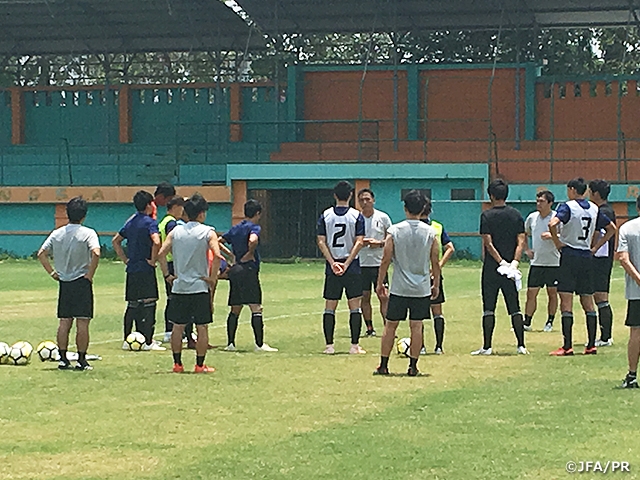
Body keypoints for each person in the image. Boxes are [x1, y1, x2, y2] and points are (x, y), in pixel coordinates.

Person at [373, 190, 440, 376]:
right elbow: (435, 261)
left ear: (405, 208)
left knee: (390, 325)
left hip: (399, 287)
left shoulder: (394, 231)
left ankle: (384, 365)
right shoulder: (431, 232)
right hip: (421, 288)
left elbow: (385, 259)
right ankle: (413, 366)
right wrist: (436, 284)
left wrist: (380, 282)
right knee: (416, 326)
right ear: (423, 209)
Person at [548, 177, 616, 356]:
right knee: (588, 301)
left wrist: (557, 242)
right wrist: (595, 247)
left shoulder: (567, 206)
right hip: (586, 256)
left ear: (571, 189)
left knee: (566, 301)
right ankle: (591, 344)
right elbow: (612, 228)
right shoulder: (594, 208)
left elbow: (552, 223)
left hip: (570, 255)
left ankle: (567, 346)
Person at [158, 194, 220, 373]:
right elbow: (216, 255)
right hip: (199, 287)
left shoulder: (175, 232)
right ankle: (200, 365)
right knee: (202, 327)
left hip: (180, 287)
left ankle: (177, 364)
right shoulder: (208, 232)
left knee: (178, 327)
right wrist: (212, 277)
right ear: (201, 214)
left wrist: (168, 275)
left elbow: (161, 254)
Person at [37, 197, 101, 371]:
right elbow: (96, 252)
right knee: (83, 322)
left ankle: (63, 358)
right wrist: (90, 274)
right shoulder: (88, 233)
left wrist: (52, 272)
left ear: (67, 213)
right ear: (84, 215)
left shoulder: (57, 233)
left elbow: (41, 253)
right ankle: (81, 359)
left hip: (64, 282)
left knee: (64, 321)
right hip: (81, 281)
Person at [472, 179, 528, 356]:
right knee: (514, 307)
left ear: (491, 195)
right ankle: (521, 345)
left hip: (492, 267)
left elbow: (488, 243)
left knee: (489, 306)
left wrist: (500, 262)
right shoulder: (516, 214)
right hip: (511, 268)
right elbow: (521, 241)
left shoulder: (486, 216)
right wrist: (514, 262)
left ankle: (487, 347)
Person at [220, 199, 277, 352]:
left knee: (235, 309)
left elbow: (219, 241)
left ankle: (230, 344)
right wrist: (250, 253)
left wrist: (230, 255)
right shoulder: (254, 227)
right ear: (257, 213)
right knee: (255, 307)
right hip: (249, 270)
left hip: (236, 270)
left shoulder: (236, 228)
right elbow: (253, 239)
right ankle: (259, 344)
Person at [317, 180, 366, 355]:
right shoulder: (356, 216)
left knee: (330, 306)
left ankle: (329, 346)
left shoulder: (326, 215)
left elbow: (321, 241)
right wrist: (346, 263)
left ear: (335, 195)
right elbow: (359, 241)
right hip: (351, 265)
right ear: (351, 195)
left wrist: (332, 263)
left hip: (333, 265)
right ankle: (354, 346)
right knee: (355, 306)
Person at [112, 190, 166, 351]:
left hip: (132, 269)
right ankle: (148, 341)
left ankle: (127, 339)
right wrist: (153, 259)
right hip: (145, 268)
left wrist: (125, 259)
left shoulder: (131, 221)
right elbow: (156, 242)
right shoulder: (150, 222)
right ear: (149, 204)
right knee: (149, 303)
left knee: (132, 305)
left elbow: (116, 241)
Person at [421, 197, 454, 354]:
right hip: (433, 275)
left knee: (419, 313)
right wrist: (438, 266)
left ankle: (422, 346)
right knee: (437, 311)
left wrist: (438, 266)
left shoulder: (415, 227)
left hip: (419, 274)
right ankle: (438, 347)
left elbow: (450, 248)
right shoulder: (437, 227)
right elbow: (450, 248)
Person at [357, 188, 392, 337]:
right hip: (361, 264)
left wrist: (379, 243)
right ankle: (369, 328)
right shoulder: (356, 218)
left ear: (373, 200)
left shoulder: (382, 218)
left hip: (379, 264)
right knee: (364, 297)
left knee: (383, 296)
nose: (365, 202)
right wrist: (360, 243)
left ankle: (387, 327)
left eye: (367, 199)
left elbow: (391, 239)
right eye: (362, 200)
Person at [523, 190, 560, 332]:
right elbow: (524, 233)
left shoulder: (557, 218)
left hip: (554, 262)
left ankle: (550, 321)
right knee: (531, 293)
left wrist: (552, 235)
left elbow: (565, 236)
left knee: (552, 293)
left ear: (550, 203)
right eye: (537, 201)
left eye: (542, 201)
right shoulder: (532, 217)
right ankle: (527, 322)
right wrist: (527, 249)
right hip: (537, 262)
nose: (538, 204)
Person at [158, 197, 190, 345]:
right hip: (172, 263)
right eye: (181, 207)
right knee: (175, 299)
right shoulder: (171, 223)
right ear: (176, 206)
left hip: (168, 263)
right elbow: (174, 241)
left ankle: (171, 331)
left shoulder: (163, 221)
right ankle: (171, 331)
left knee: (172, 298)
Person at [589, 179, 617, 347]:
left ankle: (606, 337)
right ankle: (605, 335)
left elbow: (607, 230)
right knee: (598, 296)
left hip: (601, 258)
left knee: (601, 297)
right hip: (602, 257)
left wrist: (593, 247)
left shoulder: (603, 211)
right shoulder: (607, 209)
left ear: (596, 194)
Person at [616, 196, 640, 388]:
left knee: (636, 332)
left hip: (636, 292)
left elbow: (623, 258)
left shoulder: (627, 228)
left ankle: (632, 375)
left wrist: (639, 280)